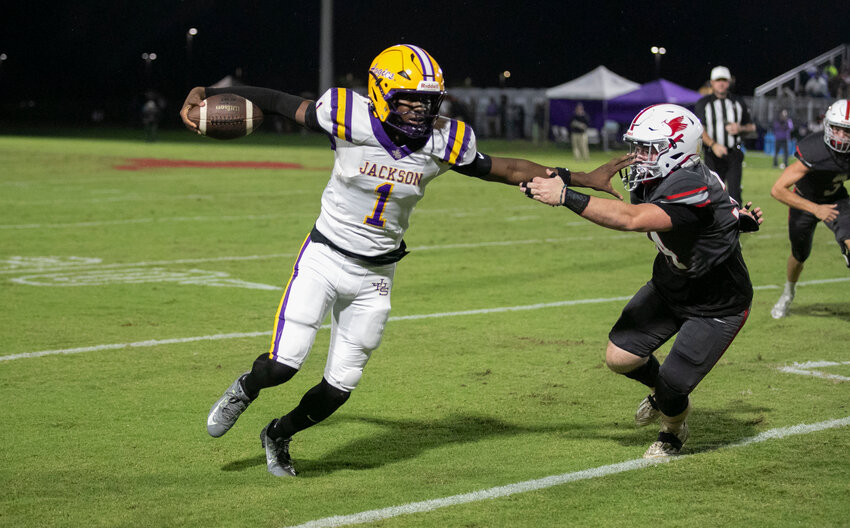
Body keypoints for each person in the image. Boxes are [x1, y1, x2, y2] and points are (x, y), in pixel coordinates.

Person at [180, 44, 631, 477]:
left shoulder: (445, 140)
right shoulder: (345, 115)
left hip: (376, 273)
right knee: (282, 365)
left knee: (339, 387)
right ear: (379, 95)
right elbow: (277, 103)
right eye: (409, 101)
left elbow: (506, 168)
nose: (420, 111)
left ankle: (278, 434)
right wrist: (207, 94)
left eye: (427, 102)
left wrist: (578, 176)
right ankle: (245, 389)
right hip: (324, 256)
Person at [521, 104, 762, 458]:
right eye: (637, 147)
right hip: (671, 285)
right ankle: (663, 392)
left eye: (649, 149)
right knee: (620, 357)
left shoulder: (689, 181)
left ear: (679, 149)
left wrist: (564, 196)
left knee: (672, 391)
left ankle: (674, 429)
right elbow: (721, 207)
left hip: (716, 302)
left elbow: (631, 219)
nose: (639, 156)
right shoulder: (664, 176)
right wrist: (561, 178)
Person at [769, 99, 850, 319]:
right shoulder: (814, 150)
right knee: (799, 254)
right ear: (827, 126)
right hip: (804, 202)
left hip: (836, 199)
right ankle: (788, 293)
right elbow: (777, 189)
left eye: (847, 132)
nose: (841, 137)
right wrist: (815, 209)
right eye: (837, 129)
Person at [694, 66, 756, 205]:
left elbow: (752, 126)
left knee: (735, 194)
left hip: (734, 153)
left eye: (724, 80)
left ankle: (735, 225)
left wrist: (740, 128)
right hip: (712, 154)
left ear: (729, 82)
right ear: (712, 82)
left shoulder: (738, 101)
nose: (721, 83)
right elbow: (699, 129)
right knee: (713, 193)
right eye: (718, 80)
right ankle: (714, 225)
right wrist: (713, 145)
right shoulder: (703, 103)